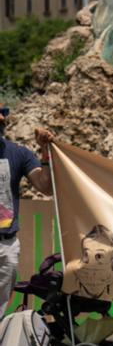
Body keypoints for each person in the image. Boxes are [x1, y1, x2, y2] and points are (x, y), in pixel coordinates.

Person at [0, 115, 52, 310]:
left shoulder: (18, 154)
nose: (2, 117)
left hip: (7, 246)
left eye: (3, 113)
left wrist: (46, 150)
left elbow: (45, 187)